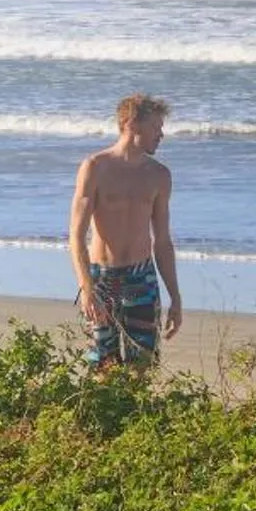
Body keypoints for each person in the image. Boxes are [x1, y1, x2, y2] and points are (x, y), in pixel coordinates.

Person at [68, 92, 182, 370]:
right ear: (133, 124)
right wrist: (87, 288)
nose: (161, 134)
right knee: (102, 367)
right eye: (156, 127)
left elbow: (163, 241)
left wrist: (175, 297)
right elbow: (76, 236)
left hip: (141, 277)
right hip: (101, 278)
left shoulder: (159, 175)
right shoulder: (95, 167)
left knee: (141, 367)